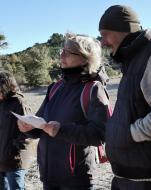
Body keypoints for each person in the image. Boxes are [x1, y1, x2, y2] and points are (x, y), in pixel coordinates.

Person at [98, 5, 151, 190]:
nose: (103, 42)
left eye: (105, 34)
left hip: (147, 179)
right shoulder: (132, 58)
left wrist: (130, 134)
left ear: (123, 30)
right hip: (129, 174)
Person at [18, 33, 110, 190]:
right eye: (62, 50)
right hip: (49, 175)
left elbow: (100, 135)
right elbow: (41, 123)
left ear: (85, 58)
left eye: (67, 52)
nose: (61, 54)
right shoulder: (55, 87)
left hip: (77, 179)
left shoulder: (93, 89)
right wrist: (29, 128)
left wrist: (61, 130)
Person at [0, 71, 34, 190]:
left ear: (6, 87)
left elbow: (29, 131)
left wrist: (13, 148)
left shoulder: (19, 102)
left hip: (15, 160)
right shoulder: (1, 103)